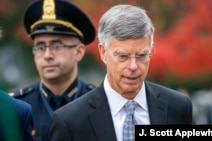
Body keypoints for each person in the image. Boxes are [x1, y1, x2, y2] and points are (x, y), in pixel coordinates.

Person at [49, 4, 193, 141]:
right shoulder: (70, 121)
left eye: (142, 55)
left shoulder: (178, 107)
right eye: (123, 56)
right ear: (103, 53)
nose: (133, 66)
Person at [9, 0, 96, 141]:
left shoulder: (99, 104)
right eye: (40, 47)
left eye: (57, 46)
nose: (47, 55)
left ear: (79, 52)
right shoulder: (16, 108)